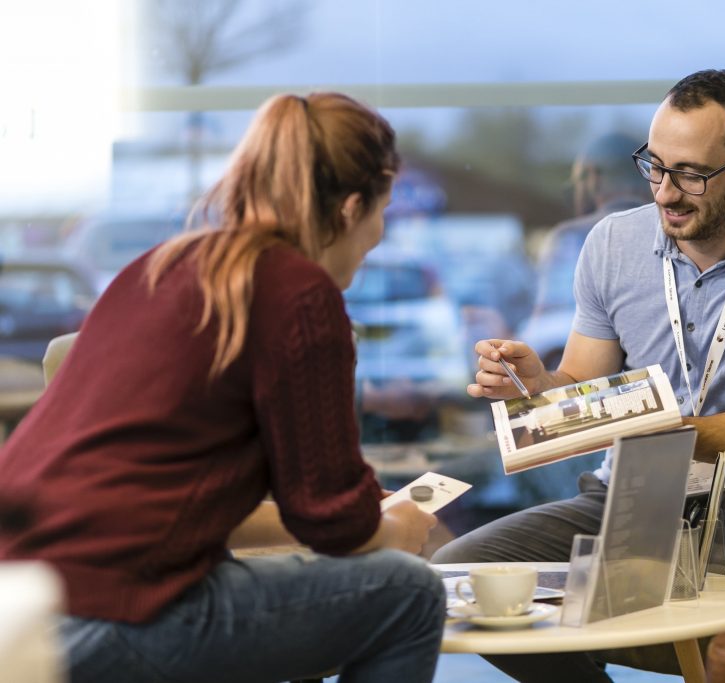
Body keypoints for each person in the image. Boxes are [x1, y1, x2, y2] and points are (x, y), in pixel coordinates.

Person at [0, 92, 446, 683]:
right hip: (118, 610)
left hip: (26, 593)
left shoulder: (162, 265)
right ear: (351, 207)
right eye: (382, 212)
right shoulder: (301, 293)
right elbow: (336, 524)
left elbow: (183, 509)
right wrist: (399, 526)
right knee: (409, 593)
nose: (379, 236)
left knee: (304, 592)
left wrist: (355, 517)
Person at [433, 69, 725, 682]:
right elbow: (583, 378)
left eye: (691, 173)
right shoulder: (612, 245)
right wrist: (538, 386)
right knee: (462, 571)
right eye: (653, 166)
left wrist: (671, 432)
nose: (664, 192)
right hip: (626, 496)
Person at [521, 133, 649, 369]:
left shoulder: (570, 238)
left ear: (592, 177)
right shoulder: (673, 234)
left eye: (576, 181)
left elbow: (548, 326)